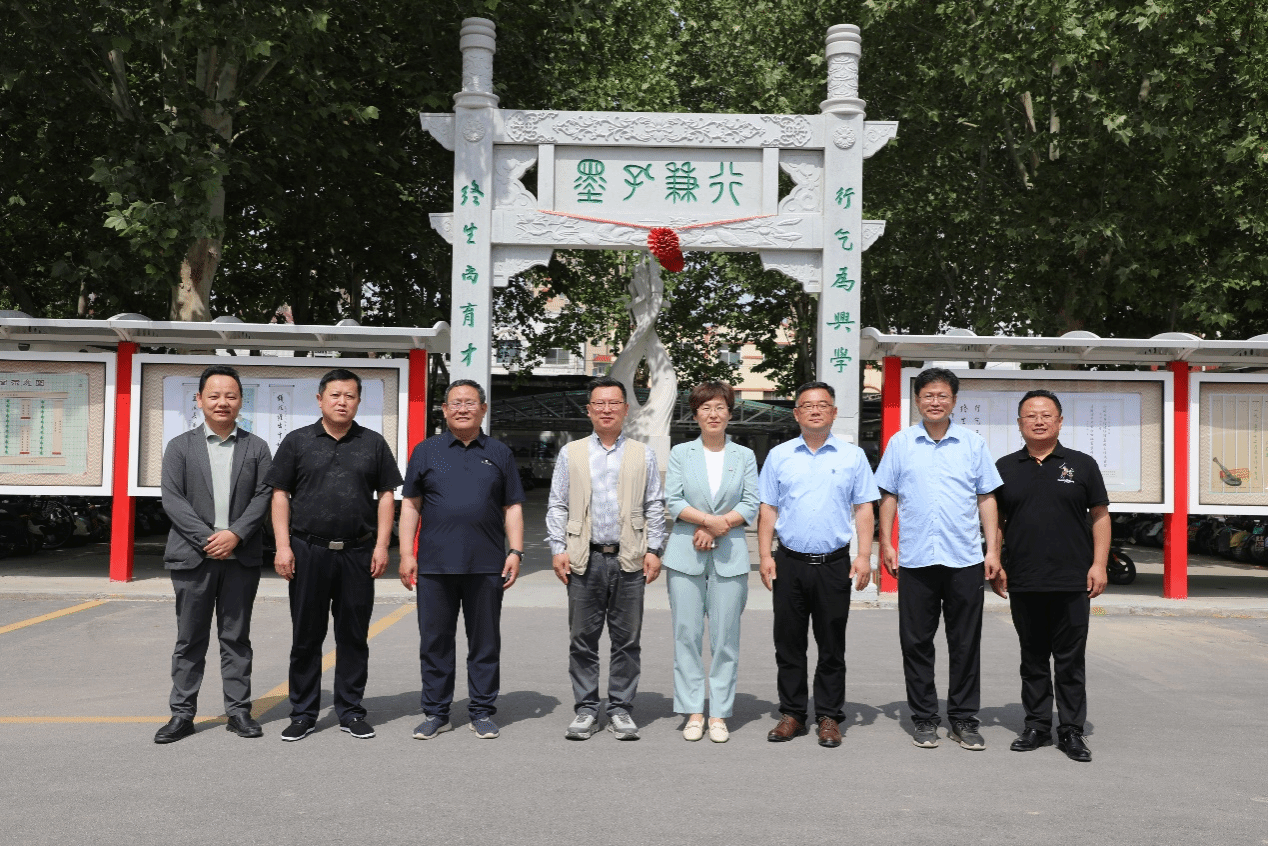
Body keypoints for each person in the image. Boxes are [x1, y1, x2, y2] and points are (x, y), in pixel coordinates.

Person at [266, 368, 403, 741]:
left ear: (358, 401)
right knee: (306, 637)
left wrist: (382, 545)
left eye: (350, 396)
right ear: (320, 399)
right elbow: (279, 494)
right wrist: (283, 546)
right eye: (335, 395)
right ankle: (303, 713)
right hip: (308, 551)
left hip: (358, 553)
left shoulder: (373, 443)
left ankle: (351, 711)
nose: (342, 402)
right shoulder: (297, 441)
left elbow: (387, 495)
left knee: (353, 636)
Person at [875, 367, 1003, 750]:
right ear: (917, 400)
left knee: (965, 643)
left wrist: (992, 550)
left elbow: (987, 497)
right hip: (916, 559)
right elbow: (889, 495)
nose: (935, 402)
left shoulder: (972, 444)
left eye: (942, 395)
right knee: (916, 643)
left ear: (954, 401)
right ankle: (925, 719)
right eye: (928, 395)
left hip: (964, 558)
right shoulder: (901, 443)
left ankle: (963, 719)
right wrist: (886, 543)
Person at [397, 380, 525, 741]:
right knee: (435, 642)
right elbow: (411, 505)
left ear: (483, 409)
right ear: (444, 409)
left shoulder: (499, 452)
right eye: (455, 403)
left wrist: (515, 551)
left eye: (470, 402)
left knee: (485, 642)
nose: (462, 409)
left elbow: (512, 506)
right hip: (434, 565)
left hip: (486, 564)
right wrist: (406, 554)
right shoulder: (426, 451)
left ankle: (482, 711)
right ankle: (436, 712)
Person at [154, 365, 273, 744]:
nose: (223, 402)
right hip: (193, 557)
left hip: (240, 558)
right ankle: (182, 714)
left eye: (231, 396)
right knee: (189, 639)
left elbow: (264, 496)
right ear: (200, 399)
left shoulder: (256, 447)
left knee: (236, 638)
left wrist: (235, 534)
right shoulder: (180, 447)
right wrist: (209, 539)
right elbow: (172, 499)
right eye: (214, 395)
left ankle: (238, 711)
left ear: (241, 401)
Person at [757, 381, 878, 748]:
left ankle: (828, 716)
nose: (815, 410)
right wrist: (765, 555)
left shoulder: (852, 456)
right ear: (796, 413)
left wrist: (863, 556)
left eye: (823, 404)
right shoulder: (779, 455)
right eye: (807, 405)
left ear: (834, 412)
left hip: (833, 564)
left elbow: (864, 507)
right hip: (789, 562)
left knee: (831, 644)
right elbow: (768, 508)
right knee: (788, 643)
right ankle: (793, 714)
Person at [546, 376, 666, 741]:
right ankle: (586, 709)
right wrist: (558, 548)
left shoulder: (643, 454)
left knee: (627, 640)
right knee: (582, 639)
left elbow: (654, 504)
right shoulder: (572, 452)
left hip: (630, 558)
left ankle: (619, 709)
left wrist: (654, 549)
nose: (606, 409)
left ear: (626, 409)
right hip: (585, 558)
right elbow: (558, 503)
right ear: (589, 410)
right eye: (599, 403)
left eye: (614, 403)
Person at [992, 389, 1109, 763]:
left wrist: (1099, 564)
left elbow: (1100, 516)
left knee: (1070, 660)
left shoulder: (1082, 464)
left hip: (1072, 579)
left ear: (1059, 421)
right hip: (1024, 578)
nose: (1039, 421)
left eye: (1046, 415)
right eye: (1031, 415)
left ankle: (1071, 730)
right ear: (1019, 423)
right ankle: (1037, 726)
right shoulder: (1005, 467)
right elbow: (997, 521)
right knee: (1033, 658)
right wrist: (994, 559)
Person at [663, 382, 759, 743]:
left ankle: (718, 713)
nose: (713, 414)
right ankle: (693, 711)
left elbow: (751, 502)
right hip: (685, 554)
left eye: (720, 407)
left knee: (725, 639)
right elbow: (673, 500)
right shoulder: (681, 453)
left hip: (730, 556)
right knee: (686, 635)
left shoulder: (744, 456)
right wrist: (707, 522)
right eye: (705, 408)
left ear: (730, 413)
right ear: (695, 415)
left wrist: (719, 526)